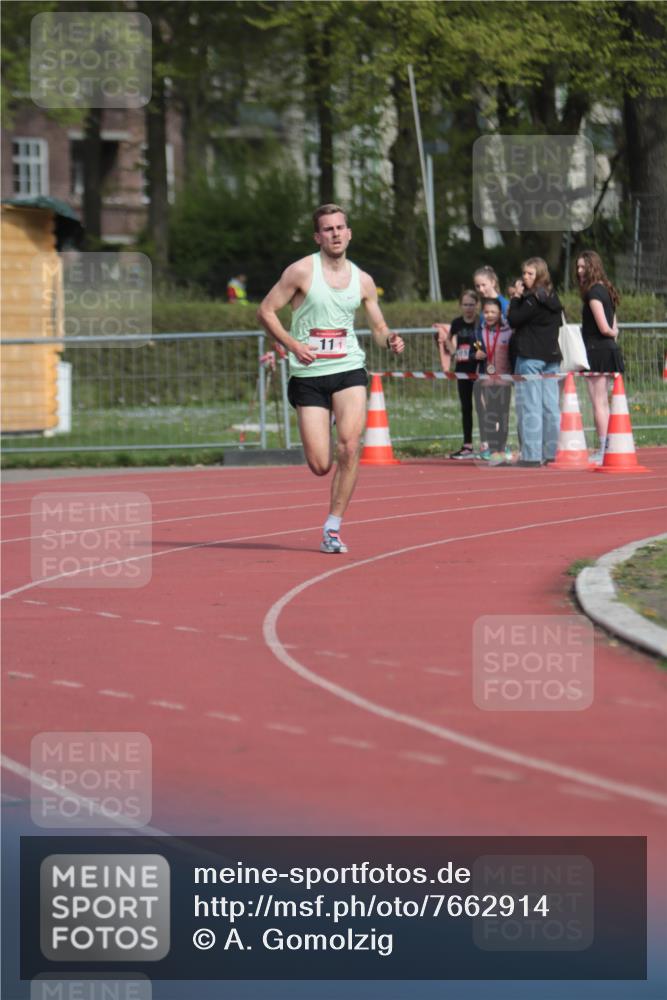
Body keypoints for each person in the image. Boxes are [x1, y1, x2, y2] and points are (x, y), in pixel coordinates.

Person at [257, 204, 404, 554]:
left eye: (340, 227)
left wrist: (391, 339)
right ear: (317, 237)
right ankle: (324, 417)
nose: (335, 234)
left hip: (348, 368)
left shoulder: (362, 280)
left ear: (349, 233)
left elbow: (379, 327)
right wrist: (292, 344)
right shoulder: (301, 272)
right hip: (308, 374)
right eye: (328, 229)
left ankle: (333, 528)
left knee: (350, 447)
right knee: (321, 465)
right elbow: (265, 310)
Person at [508, 257, 562, 466]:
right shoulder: (553, 297)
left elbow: (513, 319)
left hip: (530, 357)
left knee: (530, 406)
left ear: (539, 275)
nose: (525, 277)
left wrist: (516, 297)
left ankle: (531, 456)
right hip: (551, 357)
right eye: (524, 273)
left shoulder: (531, 299)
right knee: (550, 406)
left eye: (530, 273)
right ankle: (551, 452)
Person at [575, 250, 623, 464]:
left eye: (583, 267)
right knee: (605, 401)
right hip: (608, 349)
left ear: (592, 267)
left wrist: (610, 334)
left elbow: (605, 327)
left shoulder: (593, 293)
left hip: (596, 350)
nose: (579, 271)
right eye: (577, 267)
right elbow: (614, 325)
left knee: (599, 402)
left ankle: (605, 448)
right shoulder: (607, 289)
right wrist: (613, 335)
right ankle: (609, 445)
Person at [433, 290, 481, 459]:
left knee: (483, 408)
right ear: (460, 306)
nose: (468, 308)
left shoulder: (480, 322)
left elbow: (484, 342)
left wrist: (479, 352)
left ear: (477, 305)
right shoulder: (457, 323)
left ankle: (487, 445)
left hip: (479, 369)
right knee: (466, 407)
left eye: (472, 304)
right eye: (465, 304)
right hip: (462, 370)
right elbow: (448, 338)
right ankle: (467, 445)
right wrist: (453, 352)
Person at [475, 296, 514, 463]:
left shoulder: (508, 331)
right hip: (486, 380)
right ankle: (492, 450)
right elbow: (471, 350)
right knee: (490, 415)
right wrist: (474, 355)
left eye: (493, 312)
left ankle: (501, 448)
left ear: (500, 314)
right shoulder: (479, 331)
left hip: (504, 381)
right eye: (486, 312)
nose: (489, 315)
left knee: (502, 415)